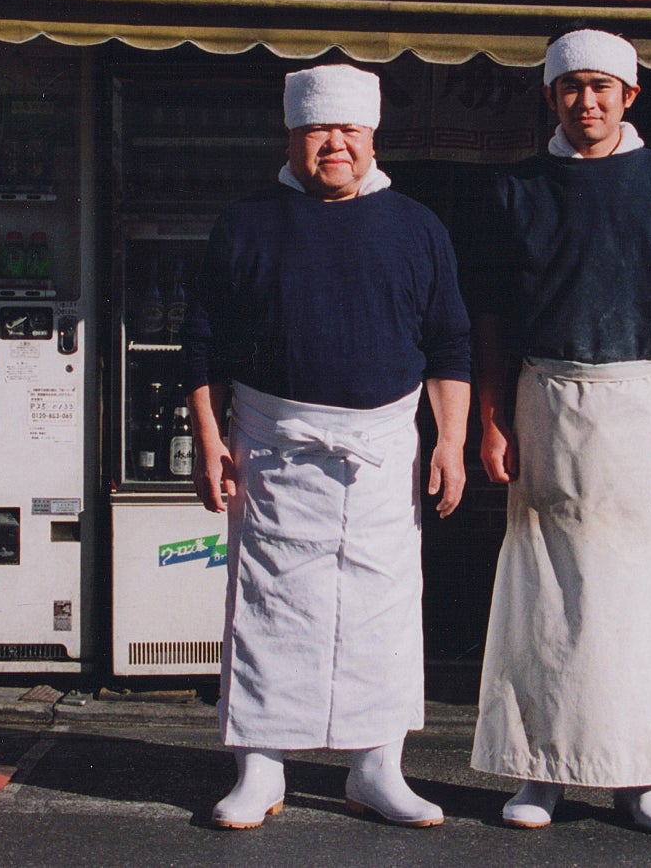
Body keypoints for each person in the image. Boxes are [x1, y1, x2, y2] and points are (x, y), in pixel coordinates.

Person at [182, 63, 472, 830]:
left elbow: (449, 344)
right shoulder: (246, 223)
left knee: (381, 609)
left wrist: (451, 440)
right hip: (274, 445)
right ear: (292, 136)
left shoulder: (417, 225)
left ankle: (377, 767)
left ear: (373, 137)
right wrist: (208, 439)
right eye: (318, 131)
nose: (334, 146)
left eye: (349, 131)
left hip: (382, 447)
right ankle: (260, 766)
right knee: (272, 606)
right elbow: (203, 345)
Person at [468, 27, 651, 835]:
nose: (587, 102)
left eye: (602, 88)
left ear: (630, 97)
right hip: (543, 392)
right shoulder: (517, 189)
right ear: (550, 97)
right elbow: (493, 317)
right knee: (544, 593)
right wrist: (491, 418)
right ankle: (538, 774)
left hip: (638, 402)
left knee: (637, 600)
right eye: (572, 87)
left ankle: (642, 779)